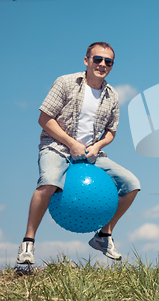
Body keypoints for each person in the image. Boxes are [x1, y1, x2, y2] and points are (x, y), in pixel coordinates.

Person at [16, 42, 140, 265]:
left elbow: (111, 132)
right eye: (97, 59)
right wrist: (71, 143)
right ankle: (28, 242)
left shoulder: (112, 95)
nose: (102, 64)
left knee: (132, 184)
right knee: (49, 182)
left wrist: (97, 146)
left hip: (92, 154)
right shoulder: (66, 82)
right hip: (57, 146)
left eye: (108, 61)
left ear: (111, 66)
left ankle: (104, 235)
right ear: (86, 60)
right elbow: (44, 119)